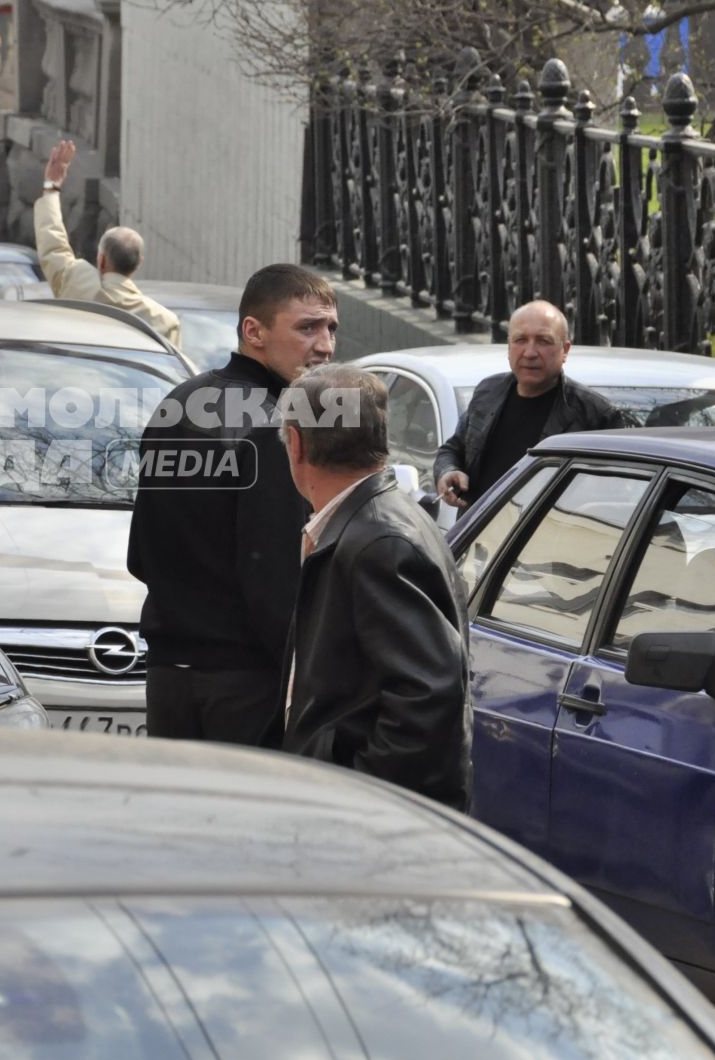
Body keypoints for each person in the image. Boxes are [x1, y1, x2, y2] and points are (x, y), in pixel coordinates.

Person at [127, 263, 338, 745]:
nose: (324, 344)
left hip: (170, 676)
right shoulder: (277, 426)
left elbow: (140, 556)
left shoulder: (178, 404)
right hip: (246, 683)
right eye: (307, 327)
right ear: (254, 331)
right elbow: (275, 581)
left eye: (330, 328)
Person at [280, 364, 471, 809]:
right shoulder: (370, 526)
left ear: (296, 444)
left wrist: (358, 796)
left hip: (363, 817)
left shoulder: (379, 541)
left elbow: (427, 700)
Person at [433, 299, 626, 513]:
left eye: (543, 341)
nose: (530, 352)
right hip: (477, 538)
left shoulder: (596, 415)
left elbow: (613, 497)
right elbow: (453, 449)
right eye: (520, 340)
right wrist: (448, 471)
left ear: (565, 350)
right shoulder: (487, 392)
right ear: (508, 346)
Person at [36, 140, 180, 346]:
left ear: (101, 260)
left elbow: (52, 243)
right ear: (139, 263)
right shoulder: (164, 322)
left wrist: (52, 185)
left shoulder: (77, 284)